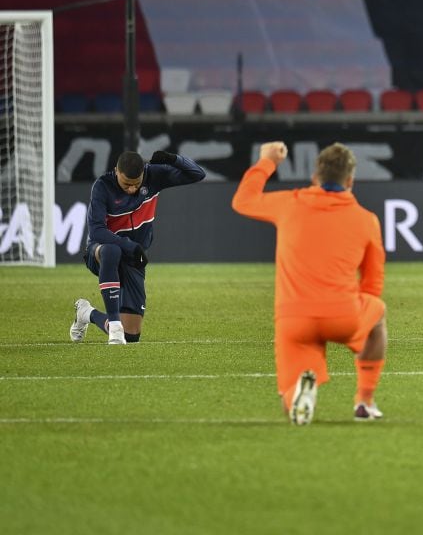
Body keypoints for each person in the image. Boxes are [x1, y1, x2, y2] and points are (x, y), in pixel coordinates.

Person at [231, 141, 388, 425]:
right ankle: (364, 401)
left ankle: (302, 395)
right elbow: (373, 281)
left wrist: (267, 161)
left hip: (295, 318)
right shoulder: (367, 220)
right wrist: (360, 324)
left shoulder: (289, 202)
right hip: (344, 314)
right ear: (351, 180)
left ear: (315, 178)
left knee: (288, 399)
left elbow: (242, 201)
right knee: (378, 314)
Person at [69, 150, 206, 345]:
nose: (132, 189)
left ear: (144, 173)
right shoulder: (102, 186)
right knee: (112, 250)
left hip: (134, 258)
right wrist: (129, 245)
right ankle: (115, 324)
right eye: (126, 184)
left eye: (137, 184)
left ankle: (86, 313)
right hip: (101, 252)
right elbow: (97, 230)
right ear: (116, 171)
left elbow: (197, 174)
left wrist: (173, 159)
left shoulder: (154, 176)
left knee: (131, 336)